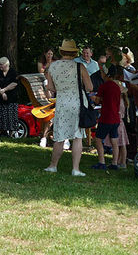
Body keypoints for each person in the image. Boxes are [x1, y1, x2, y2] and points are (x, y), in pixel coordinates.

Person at [44, 39, 93, 176]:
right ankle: (75, 169)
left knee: (59, 136)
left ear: (61, 51)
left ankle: (53, 166)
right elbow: (90, 87)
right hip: (77, 102)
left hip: (62, 102)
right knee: (77, 137)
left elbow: (50, 87)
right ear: (74, 52)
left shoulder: (53, 66)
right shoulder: (79, 67)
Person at [91, 65, 124, 170]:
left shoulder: (104, 86)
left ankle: (101, 162)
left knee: (98, 139)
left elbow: (98, 100)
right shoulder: (117, 86)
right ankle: (114, 163)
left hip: (106, 117)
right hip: (115, 117)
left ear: (105, 74)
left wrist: (93, 97)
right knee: (114, 140)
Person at [0, 56, 20, 137]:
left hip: (12, 98)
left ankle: (12, 133)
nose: (0, 66)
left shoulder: (13, 72)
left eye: (1, 64)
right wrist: (2, 93)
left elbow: (14, 83)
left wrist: (5, 89)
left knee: (11, 116)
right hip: (1, 99)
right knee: (2, 115)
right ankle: (3, 132)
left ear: (6, 64)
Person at [37, 49, 55, 146]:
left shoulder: (57, 82)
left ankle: (65, 140)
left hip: (57, 105)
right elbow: (48, 97)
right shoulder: (46, 83)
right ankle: (44, 138)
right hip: (49, 105)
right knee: (50, 117)